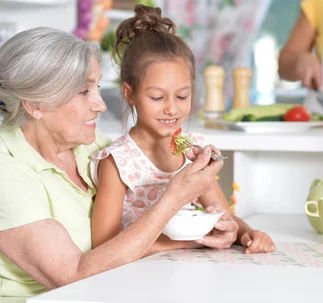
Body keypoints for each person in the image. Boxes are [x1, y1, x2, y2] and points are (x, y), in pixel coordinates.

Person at [0, 27, 233, 302]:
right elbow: (72, 276)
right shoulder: (8, 171)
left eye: (96, 87)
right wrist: (175, 196)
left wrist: (203, 236)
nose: (100, 105)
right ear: (35, 105)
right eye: (83, 91)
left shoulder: (88, 142)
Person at [90, 5, 275, 255]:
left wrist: (246, 234)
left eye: (182, 96)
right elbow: (103, 246)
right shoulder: (118, 162)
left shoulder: (193, 151)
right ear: (129, 93)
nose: (171, 109)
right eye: (157, 97)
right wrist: (189, 242)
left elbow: (224, 217)